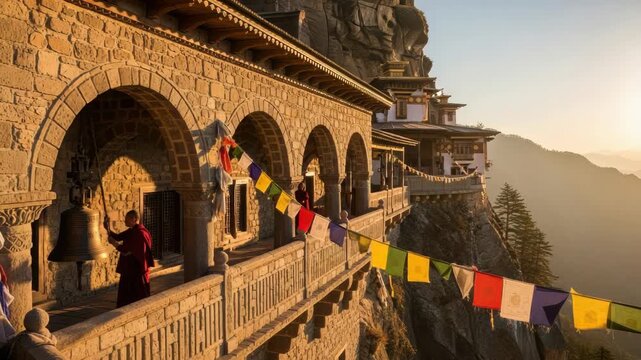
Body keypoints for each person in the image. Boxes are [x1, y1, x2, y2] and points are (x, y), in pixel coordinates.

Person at [103, 210, 154, 308]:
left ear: (134, 219)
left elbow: (127, 251)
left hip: (136, 270)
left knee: (136, 295)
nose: (124, 221)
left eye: (126, 219)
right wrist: (107, 228)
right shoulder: (133, 230)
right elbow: (118, 237)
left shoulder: (140, 234)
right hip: (129, 268)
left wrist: (114, 243)